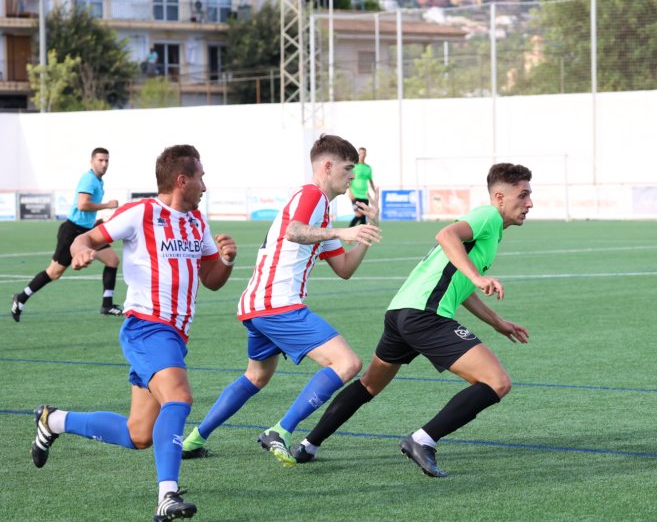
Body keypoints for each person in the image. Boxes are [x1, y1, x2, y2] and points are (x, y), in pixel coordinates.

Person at [30, 145, 238, 521]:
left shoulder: (196, 223)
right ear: (181, 180)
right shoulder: (142, 213)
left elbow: (211, 280)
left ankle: (53, 420)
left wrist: (225, 261)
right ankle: (167, 495)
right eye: (201, 177)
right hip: (147, 328)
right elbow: (87, 238)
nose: (205, 185)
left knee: (138, 434)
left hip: (175, 336)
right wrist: (80, 250)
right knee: (179, 397)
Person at [291, 162, 533, 478]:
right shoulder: (487, 216)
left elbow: (460, 284)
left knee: (368, 385)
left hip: (401, 312)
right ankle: (423, 440)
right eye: (523, 195)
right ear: (500, 197)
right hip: (424, 315)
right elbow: (446, 234)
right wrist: (476, 276)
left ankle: (309, 444)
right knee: (496, 382)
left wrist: (497, 321)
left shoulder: (491, 232)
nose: (529, 203)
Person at [180, 134, 382, 467]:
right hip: (278, 303)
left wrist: (367, 227)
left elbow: (344, 268)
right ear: (327, 166)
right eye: (347, 169)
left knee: (256, 377)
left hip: (259, 304)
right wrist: (341, 232)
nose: (351, 179)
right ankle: (281, 430)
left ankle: (193, 440)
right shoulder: (312, 194)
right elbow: (294, 231)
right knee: (347, 363)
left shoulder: (324, 215)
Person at [11, 147, 122, 323]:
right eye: (100, 160)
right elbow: (82, 205)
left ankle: (107, 305)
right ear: (92, 161)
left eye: (106, 160)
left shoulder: (99, 181)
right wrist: (107, 205)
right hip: (72, 232)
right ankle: (21, 297)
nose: (104, 164)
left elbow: (86, 210)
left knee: (112, 260)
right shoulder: (88, 179)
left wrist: (95, 223)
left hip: (86, 231)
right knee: (54, 273)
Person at [347, 147, 377, 227]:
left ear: (366, 155)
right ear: (358, 154)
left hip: (365, 195)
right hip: (355, 194)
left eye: (363, 153)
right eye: (360, 154)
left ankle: (360, 237)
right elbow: (349, 179)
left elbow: (371, 181)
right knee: (359, 215)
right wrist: (350, 192)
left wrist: (375, 192)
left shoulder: (368, 168)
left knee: (364, 217)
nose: (362, 155)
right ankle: (348, 232)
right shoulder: (354, 166)